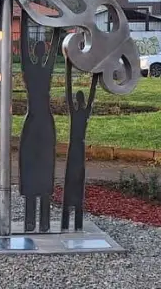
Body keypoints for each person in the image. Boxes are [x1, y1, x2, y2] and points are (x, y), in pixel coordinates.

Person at [19, 11, 60, 232]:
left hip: (38, 120)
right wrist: (58, 29)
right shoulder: (44, 69)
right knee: (37, 165)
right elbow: (52, 49)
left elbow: (26, 48)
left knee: (41, 165)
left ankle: (35, 221)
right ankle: (38, 221)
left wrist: (25, 17)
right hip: (40, 119)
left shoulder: (33, 69)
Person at [62, 67, 98, 232]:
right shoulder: (84, 112)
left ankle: (70, 220)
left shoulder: (76, 111)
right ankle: (73, 220)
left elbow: (69, 91)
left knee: (73, 180)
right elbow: (89, 94)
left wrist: (68, 69)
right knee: (75, 180)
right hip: (78, 148)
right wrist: (95, 75)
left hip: (75, 148)